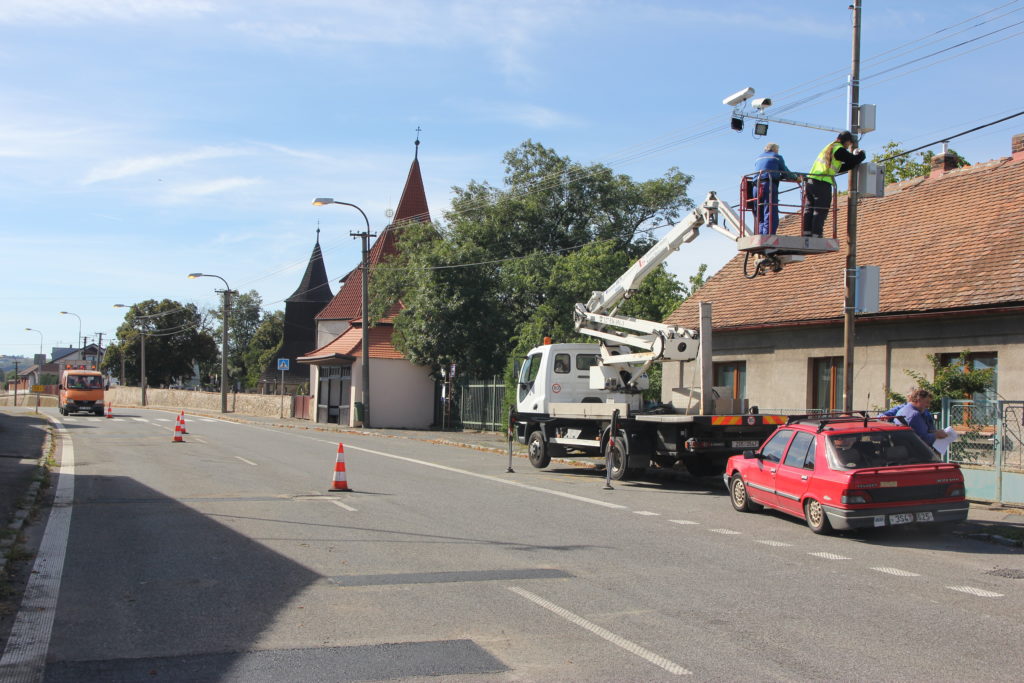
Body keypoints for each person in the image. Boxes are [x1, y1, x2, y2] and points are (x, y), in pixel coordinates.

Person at [801, 131, 866, 238]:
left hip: (811, 182)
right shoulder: (839, 149)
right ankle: (816, 234)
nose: (848, 146)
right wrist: (862, 154)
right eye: (849, 144)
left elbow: (839, 167)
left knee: (809, 209)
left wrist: (852, 163)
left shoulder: (830, 146)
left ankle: (806, 233)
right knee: (820, 209)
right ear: (848, 141)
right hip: (822, 182)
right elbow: (852, 159)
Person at [752, 143, 797, 235]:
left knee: (759, 212)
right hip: (768, 185)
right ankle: (768, 235)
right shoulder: (777, 157)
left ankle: (760, 234)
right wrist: (796, 178)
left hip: (756, 186)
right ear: (775, 149)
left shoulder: (758, 157)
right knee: (770, 210)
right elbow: (786, 172)